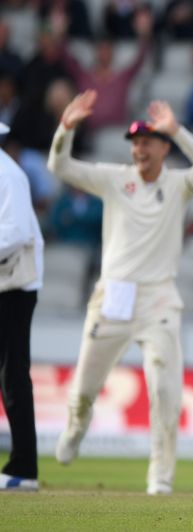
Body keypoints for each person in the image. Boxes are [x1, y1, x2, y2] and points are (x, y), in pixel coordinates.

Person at [47, 90, 193, 495]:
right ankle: (75, 426)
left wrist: (178, 129)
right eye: (135, 142)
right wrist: (66, 127)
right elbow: (60, 164)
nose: (139, 148)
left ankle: (160, 477)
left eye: (148, 141)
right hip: (113, 297)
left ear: (164, 147)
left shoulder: (178, 184)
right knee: (84, 390)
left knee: (164, 389)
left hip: (158, 299)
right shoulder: (115, 179)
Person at [0, 120, 45, 491]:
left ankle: (24, 467)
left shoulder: (8, 174)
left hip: (14, 285)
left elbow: (17, 232)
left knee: (13, 373)